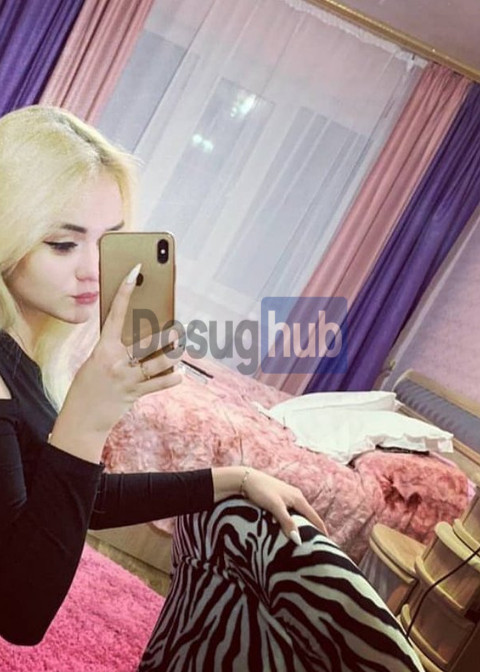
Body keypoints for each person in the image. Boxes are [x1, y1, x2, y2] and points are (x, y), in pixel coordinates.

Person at [0, 105, 326, 647]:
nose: (94, 268)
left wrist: (235, 479)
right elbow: (19, 614)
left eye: (108, 241)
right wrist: (86, 420)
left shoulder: (20, 353)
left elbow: (71, 496)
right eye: (62, 243)